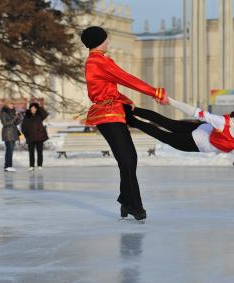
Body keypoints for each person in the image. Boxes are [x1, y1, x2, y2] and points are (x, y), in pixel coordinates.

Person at [81, 26, 168, 221]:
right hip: (106, 116)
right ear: (99, 41)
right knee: (127, 160)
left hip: (113, 113)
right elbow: (126, 78)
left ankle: (126, 201)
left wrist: (125, 100)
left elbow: (108, 89)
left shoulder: (100, 61)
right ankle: (135, 206)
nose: (108, 42)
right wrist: (155, 92)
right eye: (106, 39)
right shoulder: (97, 61)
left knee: (130, 158)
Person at [124, 98, 234, 155]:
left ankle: (132, 121)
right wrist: (169, 100)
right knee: (166, 122)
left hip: (191, 143)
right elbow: (195, 112)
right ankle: (131, 109)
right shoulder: (222, 122)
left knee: (161, 135)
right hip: (195, 129)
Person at [21, 102, 49, 171]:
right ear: (30, 109)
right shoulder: (27, 116)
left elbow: (45, 114)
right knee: (31, 152)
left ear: (36, 109)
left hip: (39, 136)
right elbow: (23, 126)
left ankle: (39, 165)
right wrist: (25, 134)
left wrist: (40, 107)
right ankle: (31, 166)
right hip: (30, 137)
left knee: (40, 152)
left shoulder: (40, 115)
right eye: (32, 108)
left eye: (34, 108)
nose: (33, 109)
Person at [0, 101, 23, 172]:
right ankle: (7, 166)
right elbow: (5, 123)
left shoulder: (13, 112)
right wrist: (15, 117)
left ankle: (9, 166)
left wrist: (20, 118)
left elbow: (15, 123)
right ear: (7, 104)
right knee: (9, 150)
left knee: (11, 151)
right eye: (10, 104)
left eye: (13, 104)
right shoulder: (4, 112)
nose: (12, 105)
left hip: (13, 133)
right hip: (8, 133)